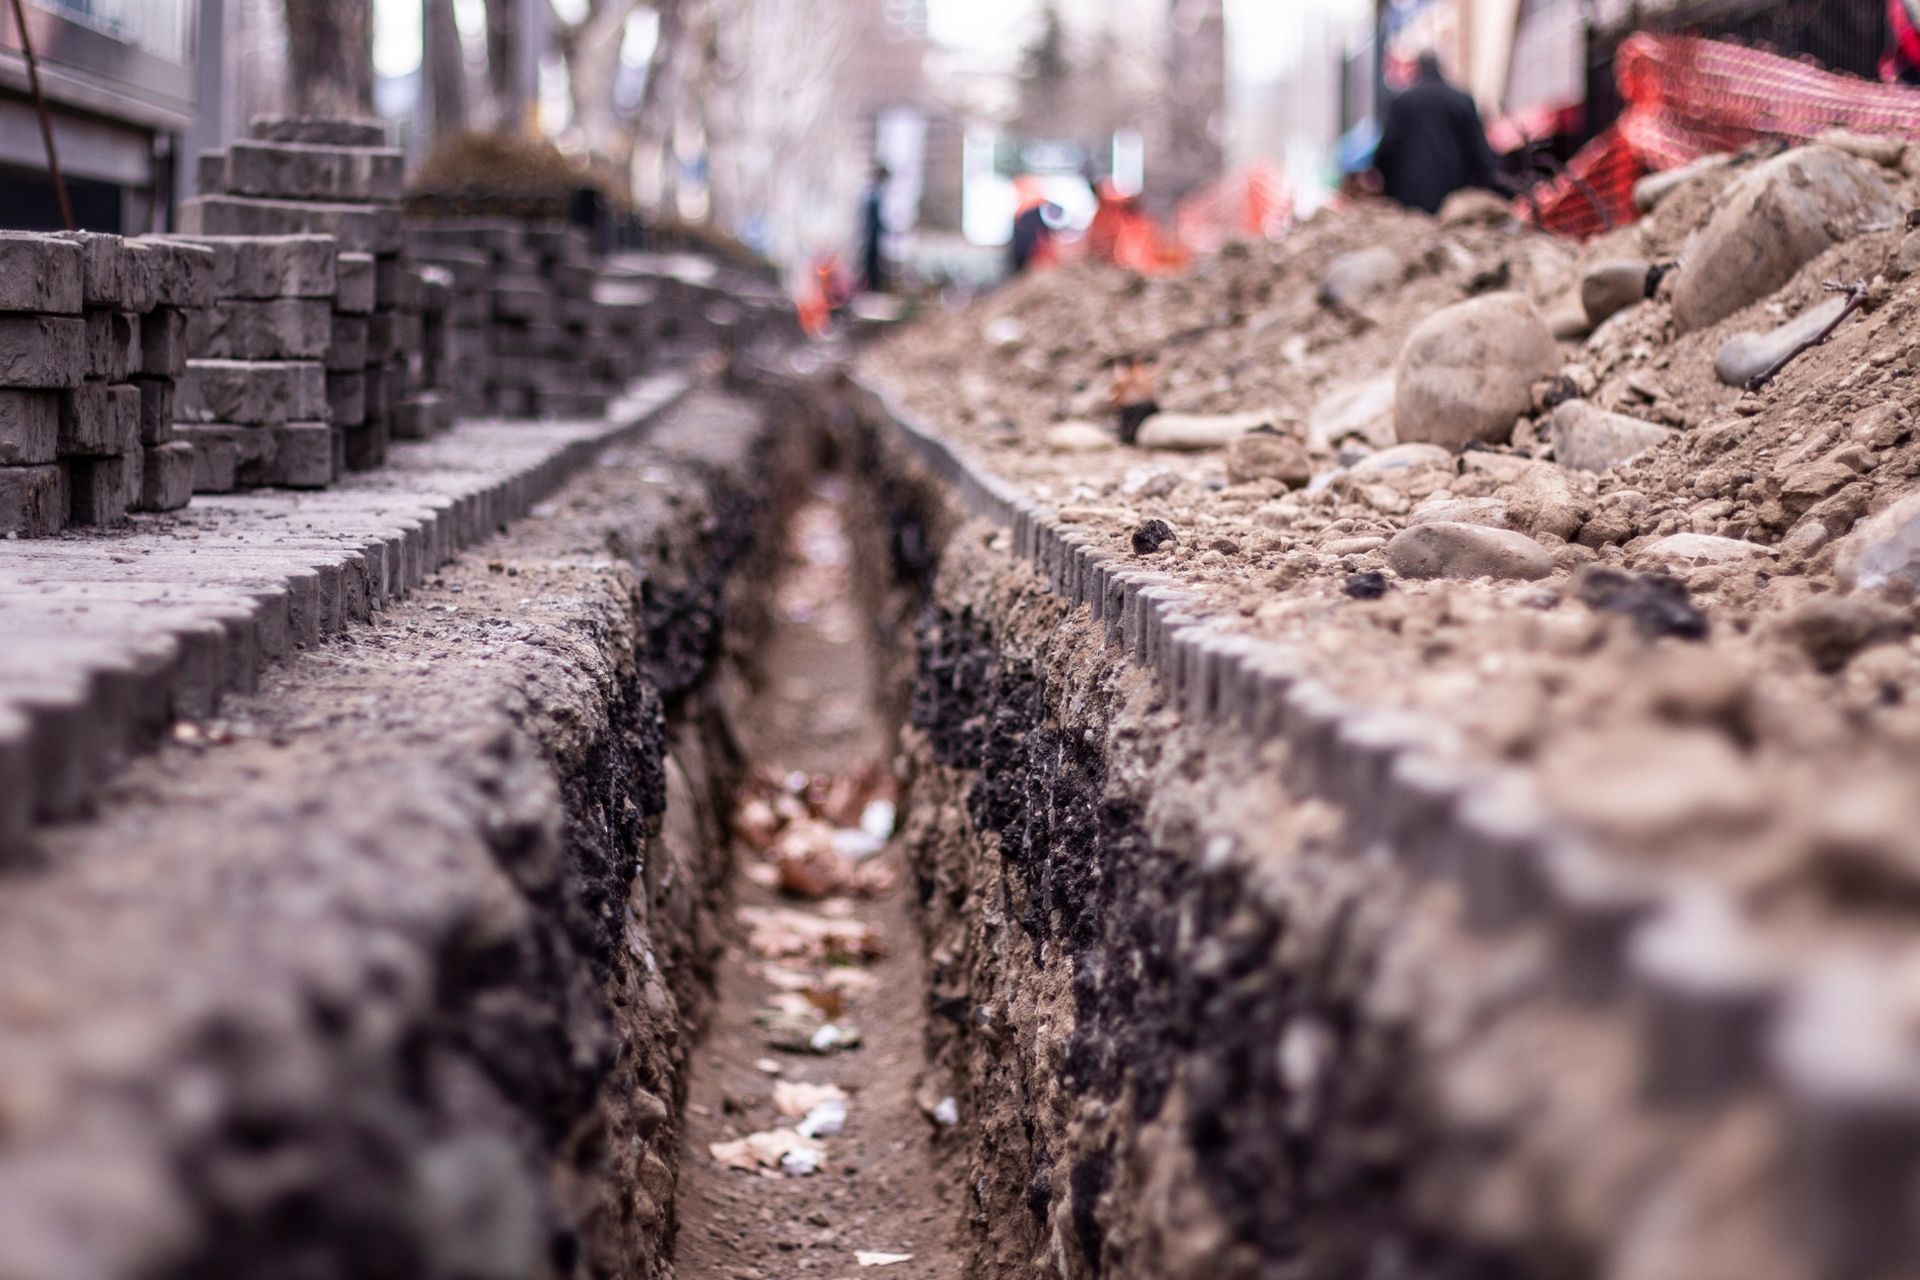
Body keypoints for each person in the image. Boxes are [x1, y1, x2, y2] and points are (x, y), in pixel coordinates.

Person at [1372, 50, 1499, 215]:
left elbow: (1386, 150)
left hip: (1409, 199)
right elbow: (1481, 155)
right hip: (1453, 200)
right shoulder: (1462, 100)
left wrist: (1387, 183)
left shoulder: (1402, 102)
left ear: (1417, 68)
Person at [860, 163, 890, 294]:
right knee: (869, 262)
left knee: (875, 262)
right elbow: (871, 219)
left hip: (873, 235)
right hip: (870, 236)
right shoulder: (872, 194)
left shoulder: (876, 193)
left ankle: (873, 287)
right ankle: (870, 287)